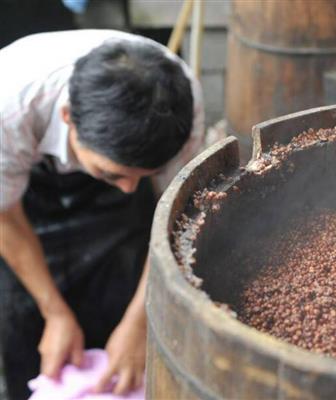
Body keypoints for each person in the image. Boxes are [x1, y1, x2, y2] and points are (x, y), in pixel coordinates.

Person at [0, 29, 207, 399]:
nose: (129, 189)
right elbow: (5, 216)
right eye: (114, 175)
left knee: (118, 293)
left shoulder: (179, 105)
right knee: (22, 319)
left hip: (106, 191)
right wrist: (55, 312)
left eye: (139, 178)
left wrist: (139, 322)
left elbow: (178, 216)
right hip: (25, 193)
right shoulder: (9, 105)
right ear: (68, 119)